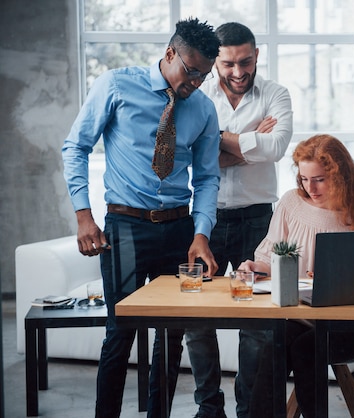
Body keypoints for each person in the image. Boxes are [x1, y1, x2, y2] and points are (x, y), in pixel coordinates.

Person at [61, 18, 222, 418]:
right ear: (170, 53)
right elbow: (75, 146)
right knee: (120, 334)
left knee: (171, 337)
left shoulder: (203, 109)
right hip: (126, 227)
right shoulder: (115, 85)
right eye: (190, 70)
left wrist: (201, 233)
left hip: (179, 230)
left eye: (204, 74)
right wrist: (84, 216)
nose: (196, 82)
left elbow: (206, 178)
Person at [183, 22, 293, 418]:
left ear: (257, 55)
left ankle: (251, 410)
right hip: (203, 221)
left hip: (258, 219)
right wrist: (249, 143)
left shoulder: (276, 94)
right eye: (228, 63)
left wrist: (215, 139)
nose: (238, 71)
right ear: (216, 61)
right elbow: (190, 156)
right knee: (196, 318)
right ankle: (209, 408)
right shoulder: (196, 93)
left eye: (245, 61)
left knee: (259, 320)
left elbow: (277, 147)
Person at [237, 134, 354, 418]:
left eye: (319, 179)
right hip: (300, 315)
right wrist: (258, 269)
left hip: (350, 325)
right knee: (274, 344)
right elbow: (270, 258)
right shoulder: (291, 204)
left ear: (340, 174)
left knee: (308, 347)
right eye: (304, 179)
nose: (311, 187)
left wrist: (336, 279)